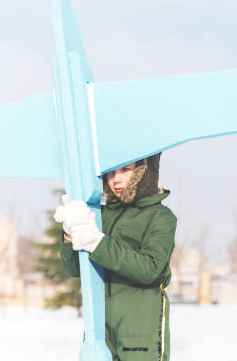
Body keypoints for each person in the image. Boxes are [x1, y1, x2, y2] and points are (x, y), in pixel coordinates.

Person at [55, 153, 176, 361]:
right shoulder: (99, 215)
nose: (115, 180)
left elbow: (150, 269)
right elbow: (76, 269)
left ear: (143, 171)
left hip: (140, 330)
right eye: (110, 173)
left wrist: (97, 243)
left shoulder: (160, 217)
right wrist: (70, 233)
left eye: (125, 170)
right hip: (101, 330)